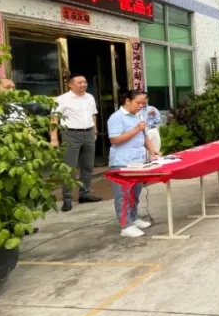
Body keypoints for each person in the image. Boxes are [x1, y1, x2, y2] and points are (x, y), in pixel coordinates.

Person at [108, 89, 160, 238]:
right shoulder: (116, 118)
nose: (141, 106)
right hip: (122, 162)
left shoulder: (139, 116)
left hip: (138, 162)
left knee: (135, 193)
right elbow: (115, 140)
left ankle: (133, 217)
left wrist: (152, 151)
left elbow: (145, 136)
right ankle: (125, 226)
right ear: (127, 101)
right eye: (138, 103)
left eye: (143, 103)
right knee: (123, 195)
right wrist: (136, 129)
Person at [51, 74, 101, 211]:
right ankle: (67, 198)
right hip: (70, 134)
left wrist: (95, 131)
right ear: (70, 85)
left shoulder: (89, 97)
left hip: (88, 133)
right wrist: (54, 138)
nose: (83, 85)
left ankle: (85, 194)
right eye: (80, 83)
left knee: (88, 166)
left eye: (85, 82)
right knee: (69, 168)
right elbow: (54, 119)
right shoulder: (62, 99)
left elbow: (93, 115)